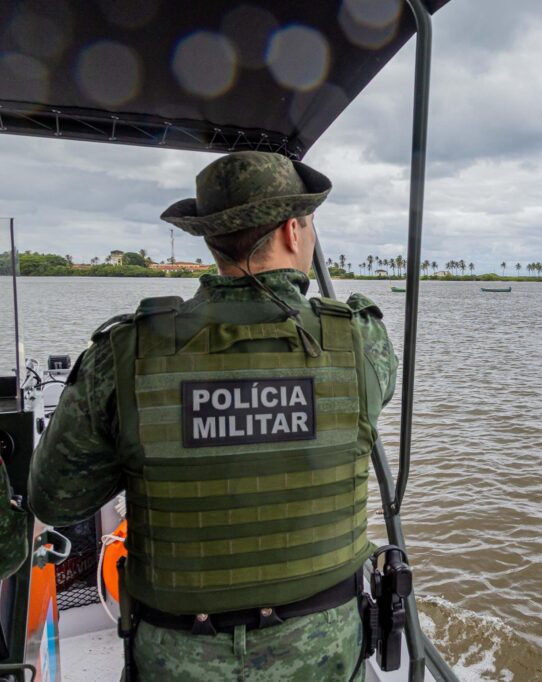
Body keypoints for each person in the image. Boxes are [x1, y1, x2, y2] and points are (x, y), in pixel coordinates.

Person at [28, 151, 397, 681]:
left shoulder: (123, 355)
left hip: (177, 656)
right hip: (324, 651)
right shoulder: (361, 342)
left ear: (210, 239)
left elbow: (55, 500)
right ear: (293, 231)